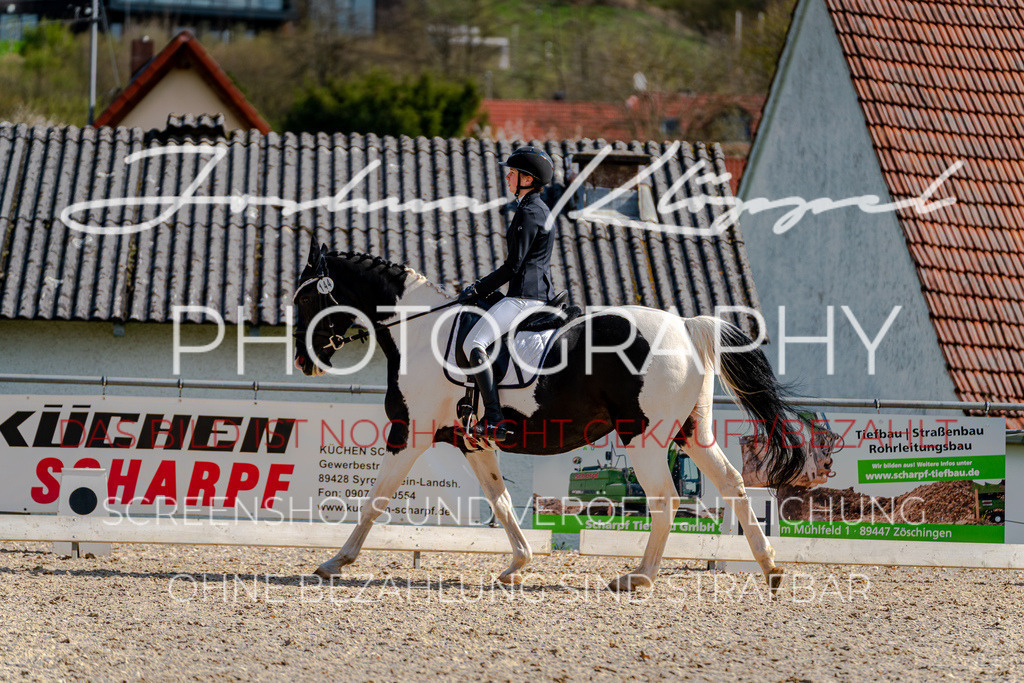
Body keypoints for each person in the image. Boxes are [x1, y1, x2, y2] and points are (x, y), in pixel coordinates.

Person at [457, 145, 556, 442]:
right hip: (532, 292)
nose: (507, 177)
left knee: (473, 343)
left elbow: (513, 266)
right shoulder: (537, 209)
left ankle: (495, 418)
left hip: (524, 296)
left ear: (527, 179)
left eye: (512, 173)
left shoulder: (529, 213)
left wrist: (477, 288)